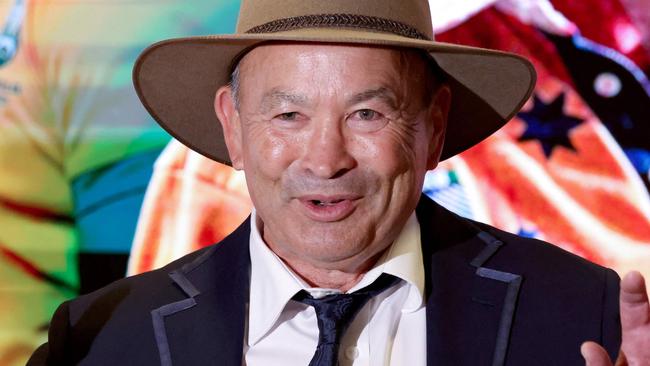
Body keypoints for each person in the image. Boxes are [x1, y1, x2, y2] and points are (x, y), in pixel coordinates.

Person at [28, 0, 649, 365]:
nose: (325, 161)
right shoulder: (96, 343)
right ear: (232, 128)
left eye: (367, 114)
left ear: (434, 130)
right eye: (288, 115)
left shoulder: (586, 318)